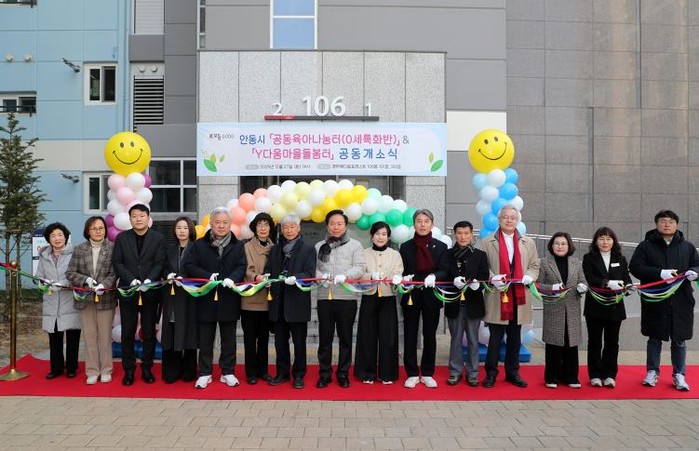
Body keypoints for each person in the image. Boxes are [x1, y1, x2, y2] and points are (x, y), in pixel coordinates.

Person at [629, 209, 699, 391]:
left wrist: (695, 272)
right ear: (656, 224)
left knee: (680, 339)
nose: (667, 224)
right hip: (656, 299)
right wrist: (659, 273)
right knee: (654, 337)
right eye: (663, 221)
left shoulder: (687, 247)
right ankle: (652, 371)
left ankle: (679, 374)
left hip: (681, 300)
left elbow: (697, 264)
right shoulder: (645, 246)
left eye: (671, 221)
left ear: (676, 224)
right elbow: (635, 267)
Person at [183, 207, 246, 389]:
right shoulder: (198, 245)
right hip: (206, 298)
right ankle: (205, 373)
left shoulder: (238, 245)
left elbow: (242, 266)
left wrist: (232, 278)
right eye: (217, 222)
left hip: (229, 297)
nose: (221, 226)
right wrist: (207, 276)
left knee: (229, 339)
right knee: (205, 339)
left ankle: (228, 372)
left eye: (225, 222)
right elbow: (189, 265)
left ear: (230, 224)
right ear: (211, 223)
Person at [479, 206, 539, 388]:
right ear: (499, 220)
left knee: (514, 337)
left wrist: (529, 276)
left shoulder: (528, 242)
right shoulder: (487, 242)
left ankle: (513, 372)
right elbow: (481, 266)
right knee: (495, 338)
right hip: (498, 295)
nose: (509, 220)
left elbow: (534, 265)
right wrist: (492, 278)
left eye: (512, 217)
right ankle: (491, 373)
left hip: (519, 296)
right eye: (505, 217)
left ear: (517, 220)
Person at [112, 204, 167, 386]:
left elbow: (159, 262)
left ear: (148, 217)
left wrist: (149, 280)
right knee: (127, 332)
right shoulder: (122, 238)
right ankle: (129, 370)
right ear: (130, 219)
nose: (138, 219)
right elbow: (117, 262)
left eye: (141, 215)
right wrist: (131, 279)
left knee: (148, 332)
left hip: (150, 292)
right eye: (134, 216)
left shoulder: (158, 238)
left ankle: (147, 368)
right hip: (128, 291)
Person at [315, 209, 366, 388]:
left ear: (345, 226)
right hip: (325, 297)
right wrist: (321, 276)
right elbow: (313, 267)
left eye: (339, 224)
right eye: (332, 224)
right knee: (325, 338)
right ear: (327, 226)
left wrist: (346, 275)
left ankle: (343, 373)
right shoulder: (319, 246)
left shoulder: (355, 245)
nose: (335, 227)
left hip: (347, 297)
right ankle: (324, 374)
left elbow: (360, 267)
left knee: (345, 338)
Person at [265, 214, 317, 389]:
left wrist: (296, 278)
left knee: (299, 343)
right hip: (278, 303)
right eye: (285, 227)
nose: (288, 230)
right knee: (280, 343)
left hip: (297, 303)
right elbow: (269, 270)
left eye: (292, 227)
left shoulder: (308, 249)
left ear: (299, 228)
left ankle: (299, 375)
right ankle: (282, 373)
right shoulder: (275, 249)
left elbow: (310, 273)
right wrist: (266, 277)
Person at [399, 209, 450, 389]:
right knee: (410, 335)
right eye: (419, 221)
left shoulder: (441, 247)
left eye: (426, 221)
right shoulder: (405, 247)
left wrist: (435, 276)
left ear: (432, 224)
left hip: (431, 296)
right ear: (414, 224)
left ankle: (427, 373)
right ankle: (412, 373)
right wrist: (403, 278)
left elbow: (445, 269)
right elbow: (401, 270)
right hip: (411, 296)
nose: (422, 224)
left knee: (429, 335)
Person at [66, 216, 117, 384]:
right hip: (85, 299)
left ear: (105, 230)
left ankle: (106, 369)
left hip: (105, 298)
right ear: (88, 231)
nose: (98, 231)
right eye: (94, 228)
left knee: (105, 336)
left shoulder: (112, 248)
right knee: (89, 336)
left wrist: (104, 285)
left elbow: (115, 272)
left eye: (101, 228)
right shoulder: (80, 249)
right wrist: (85, 280)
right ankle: (92, 370)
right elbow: (70, 272)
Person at [354, 221, 403, 384]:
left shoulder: (395, 254)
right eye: (377, 234)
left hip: (388, 298)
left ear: (388, 237)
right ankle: (367, 373)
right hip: (369, 296)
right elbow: (358, 275)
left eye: (384, 234)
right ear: (372, 236)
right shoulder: (363, 253)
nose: (380, 237)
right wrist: (370, 276)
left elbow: (398, 272)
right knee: (367, 335)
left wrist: (397, 279)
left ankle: (387, 373)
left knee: (388, 336)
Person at [582, 226, 631, 388]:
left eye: (608, 239)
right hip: (595, 306)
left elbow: (626, 278)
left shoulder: (620, 259)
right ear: (596, 241)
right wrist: (607, 283)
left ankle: (610, 374)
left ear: (613, 241)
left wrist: (628, 287)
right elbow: (590, 278)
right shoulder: (589, 258)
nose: (605, 242)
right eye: (601, 238)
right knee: (595, 342)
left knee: (612, 342)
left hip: (615, 306)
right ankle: (595, 374)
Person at [537, 232, 587, 389]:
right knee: (554, 344)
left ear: (569, 246)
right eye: (556, 243)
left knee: (571, 343)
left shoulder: (576, 263)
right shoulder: (544, 263)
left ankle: (571, 377)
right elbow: (538, 284)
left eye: (563, 244)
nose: (560, 246)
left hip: (572, 308)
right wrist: (551, 288)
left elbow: (583, 281)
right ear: (552, 246)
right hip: (553, 308)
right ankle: (552, 377)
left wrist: (582, 287)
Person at [35, 222, 81, 380]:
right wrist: (42, 282)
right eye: (53, 235)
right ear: (48, 239)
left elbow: (78, 275)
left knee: (73, 336)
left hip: (70, 300)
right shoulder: (44, 255)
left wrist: (63, 284)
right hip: (51, 300)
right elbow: (39, 275)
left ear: (66, 237)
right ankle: (56, 368)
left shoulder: (75, 252)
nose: (57, 238)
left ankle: (72, 367)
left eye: (60, 235)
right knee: (54, 336)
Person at [446, 220, 489, 387]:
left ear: (472, 235)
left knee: (473, 339)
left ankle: (473, 373)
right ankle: (455, 371)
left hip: (474, 303)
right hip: (454, 302)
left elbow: (485, 276)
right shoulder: (448, 254)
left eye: (466, 233)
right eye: (459, 233)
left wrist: (478, 284)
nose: (463, 237)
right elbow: (443, 274)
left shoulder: (480, 255)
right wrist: (452, 280)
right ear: (454, 234)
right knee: (455, 339)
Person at [161, 216, 198, 384]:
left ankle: (189, 370)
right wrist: (167, 274)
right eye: (178, 228)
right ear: (174, 230)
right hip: (172, 296)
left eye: (185, 228)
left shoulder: (197, 248)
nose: (182, 231)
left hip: (190, 297)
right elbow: (162, 267)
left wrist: (186, 278)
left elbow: (199, 269)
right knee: (171, 330)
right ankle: (172, 370)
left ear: (190, 230)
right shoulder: (168, 249)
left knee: (189, 331)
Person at [242, 212, 275, 385]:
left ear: (270, 228)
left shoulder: (274, 247)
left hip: (267, 301)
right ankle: (251, 372)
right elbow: (246, 270)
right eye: (259, 224)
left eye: (266, 224)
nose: (263, 228)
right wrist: (256, 277)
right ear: (254, 228)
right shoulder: (247, 246)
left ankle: (263, 371)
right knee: (250, 339)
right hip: (250, 300)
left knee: (264, 339)